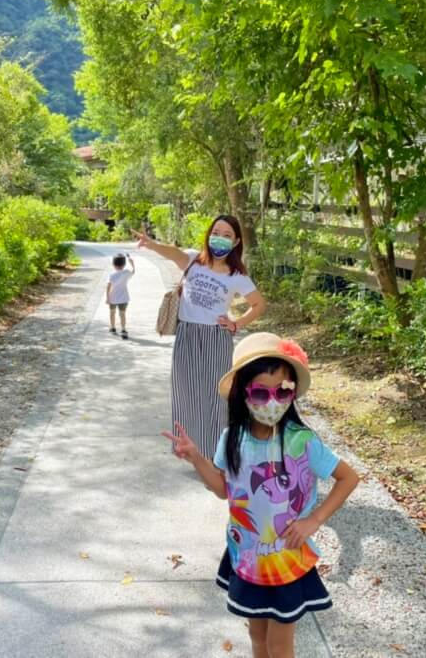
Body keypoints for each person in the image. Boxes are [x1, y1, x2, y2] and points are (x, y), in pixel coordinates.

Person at [162, 332, 359, 658]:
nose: (272, 402)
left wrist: (314, 520)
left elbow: (348, 478)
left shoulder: (302, 441)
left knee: (280, 646)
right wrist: (196, 458)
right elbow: (225, 490)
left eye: (283, 391)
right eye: (260, 392)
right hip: (248, 557)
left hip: (286, 562)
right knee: (257, 636)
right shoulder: (233, 438)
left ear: (293, 392)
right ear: (242, 394)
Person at [134, 214, 267, 456]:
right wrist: (152, 244)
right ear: (209, 234)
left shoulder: (236, 275)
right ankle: (190, 451)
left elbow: (258, 304)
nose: (220, 239)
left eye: (227, 235)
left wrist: (236, 323)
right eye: (216, 233)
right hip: (188, 334)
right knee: (186, 394)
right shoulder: (194, 261)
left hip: (216, 338)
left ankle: (217, 454)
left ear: (236, 242)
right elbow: (173, 253)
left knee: (216, 397)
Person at [106, 252, 135, 339]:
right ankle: (123, 329)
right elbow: (133, 272)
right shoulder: (126, 272)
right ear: (124, 264)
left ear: (113, 264)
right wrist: (132, 264)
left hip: (112, 298)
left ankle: (113, 327)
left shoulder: (111, 275)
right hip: (124, 298)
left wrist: (107, 298)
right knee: (122, 314)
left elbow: (108, 287)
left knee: (112, 313)